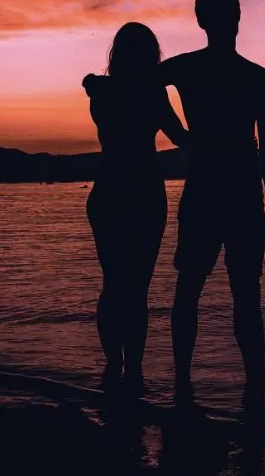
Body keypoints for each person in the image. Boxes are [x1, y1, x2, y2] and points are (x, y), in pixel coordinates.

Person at [159, 0, 265, 419]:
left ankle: (196, 389)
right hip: (230, 192)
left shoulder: (238, 74)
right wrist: (179, 134)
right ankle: (246, 393)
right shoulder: (253, 76)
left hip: (223, 192)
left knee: (210, 293)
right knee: (222, 294)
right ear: (234, 19)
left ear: (202, 21)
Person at [82, 22, 189, 394]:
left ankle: (115, 368)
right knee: (135, 288)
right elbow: (180, 137)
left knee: (114, 284)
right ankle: (134, 372)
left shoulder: (102, 91)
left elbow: (100, 93)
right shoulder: (151, 93)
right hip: (142, 190)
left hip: (109, 189)